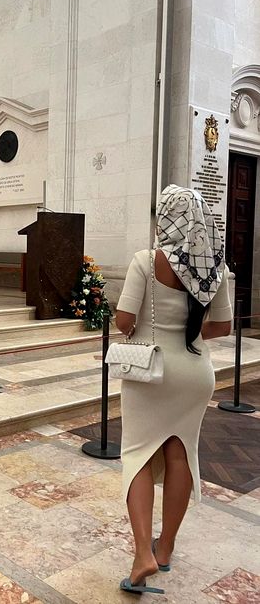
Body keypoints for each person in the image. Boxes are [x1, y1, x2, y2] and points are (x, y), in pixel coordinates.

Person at [115, 185, 233, 595]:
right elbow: (223, 326)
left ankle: (141, 555)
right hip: (195, 372)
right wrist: (189, 334)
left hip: (150, 372)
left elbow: (124, 320)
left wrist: (149, 328)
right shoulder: (215, 266)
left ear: (166, 218)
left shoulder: (146, 261)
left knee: (138, 456)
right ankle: (164, 550)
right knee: (181, 452)